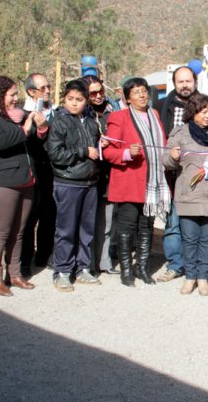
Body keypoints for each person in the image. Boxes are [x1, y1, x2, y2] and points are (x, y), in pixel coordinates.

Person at [0, 76, 47, 296]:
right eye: (11, 95)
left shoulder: (22, 116)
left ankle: (15, 274)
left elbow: (36, 143)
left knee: (19, 232)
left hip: (27, 181)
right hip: (3, 184)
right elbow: (0, 142)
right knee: (0, 232)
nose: (16, 98)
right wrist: (25, 129)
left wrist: (41, 128)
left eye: (17, 94)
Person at [162, 94, 208, 296]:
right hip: (188, 194)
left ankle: (203, 277)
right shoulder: (180, 132)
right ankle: (190, 277)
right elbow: (165, 159)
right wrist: (173, 156)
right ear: (193, 112)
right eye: (203, 111)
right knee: (189, 238)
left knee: (207, 239)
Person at [103, 77, 169, 287]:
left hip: (152, 182)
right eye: (136, 92)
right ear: (127, 98)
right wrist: (126, 153)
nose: (141, 95)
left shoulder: (154, 114)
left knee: (147, 227)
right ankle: (125, 270)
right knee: (126, 227)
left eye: (144, 91)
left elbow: (161, 144)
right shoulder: (118, 117)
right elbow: (108, 151)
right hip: (130, 181)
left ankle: (142, 267)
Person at [45, 79, 101, 292]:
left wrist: (99, 145)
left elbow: (93, 146)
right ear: (64, 99)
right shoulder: (60, 121)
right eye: (70, 99)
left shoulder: (89, 121)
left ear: (86, 101)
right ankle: (63, 271)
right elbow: (56, 154)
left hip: (90, 182)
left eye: (79, 99)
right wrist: (84, 151)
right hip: (68, 182)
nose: (74, 103)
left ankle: (83, 267)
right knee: (66, 229)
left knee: (87, 229)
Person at [152, 66, 197, 282]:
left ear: (195, 82)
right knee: (172, 224)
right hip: (169, 174)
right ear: (174, 83)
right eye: (181, 81)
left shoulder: (205, 106)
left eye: (188, 81)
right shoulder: (160, 107)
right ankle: (174, 264)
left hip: (195, 175)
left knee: (193, 224)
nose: (185, 85)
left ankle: (194, 265)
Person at [20, 72, 56, 275]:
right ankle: (25, 260)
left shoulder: (56, 111)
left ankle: (44, 256)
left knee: (49, 216)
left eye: (49, 87)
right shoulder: (21, 113)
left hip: (52, 173)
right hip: (31, 173)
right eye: (43, 88)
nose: (48, 91)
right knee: (29, 218)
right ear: (31, 92)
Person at [84, 75, 119, 276]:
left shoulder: (112, 111)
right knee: (87, 223)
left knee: (107, 222)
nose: (98, 96)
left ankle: (104, 262)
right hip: (87, 174)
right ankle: (86, 263)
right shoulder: (80, 113)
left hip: (109, 175)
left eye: (101, 92)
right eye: (93, 93)